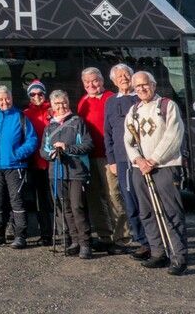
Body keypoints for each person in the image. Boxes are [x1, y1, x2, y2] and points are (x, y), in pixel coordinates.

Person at [125, 71, 188, 275]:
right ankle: (158, 252)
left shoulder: (167, 106)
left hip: (165, 166)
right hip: (140, 169)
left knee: (171, 211)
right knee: (147, 212)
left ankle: (178, 256)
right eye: (137, 86)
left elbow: (174, 136)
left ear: (153, 85)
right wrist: (138, 160)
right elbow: (128, 140)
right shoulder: (133, 110)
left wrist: (153, 160)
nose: (141, 89)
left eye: (145, 84)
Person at [0, 85, 37, 249]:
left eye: (7, 98)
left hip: (15, 166)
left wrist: (17, 154)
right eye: (1, 99)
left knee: (16, 201)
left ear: (11, 98)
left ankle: (20, 236)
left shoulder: (21, 117)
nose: (4, 102)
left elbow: (32, 140)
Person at [76, 66, 124, 253]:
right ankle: (105, 236)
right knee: (95, 198)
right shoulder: (83, 101)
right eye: (87, 82)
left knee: (114, 196)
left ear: (102, 81)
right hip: (89, 157)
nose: (91, 85)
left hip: (108, 156)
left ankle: (121, 238)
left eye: (94, 81)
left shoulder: (111, 98)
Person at [41, 89, 93, 259]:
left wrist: (68, 148)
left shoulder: (78, 122)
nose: (61, 106)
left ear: (68, 102)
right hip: (56, 171)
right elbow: (43, 150)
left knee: (78, 207)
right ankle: (74, 241)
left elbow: (88, 144)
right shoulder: (49, 126)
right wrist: (51, 154)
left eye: (64, 102)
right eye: (57, 103)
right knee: (65, 207)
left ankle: (86, 243)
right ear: (52, 105)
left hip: (76, 171)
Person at [105, 63, 149, 257]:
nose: (123, 78)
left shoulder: (141, 97)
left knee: (145, 200)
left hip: (142, 158)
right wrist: (112, 160)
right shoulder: (110, 102)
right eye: (119, 76)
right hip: (122, 159)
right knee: (130, 202)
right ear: (114, 81)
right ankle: (142, 241)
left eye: (126, 75)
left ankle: (154, 240)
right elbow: (107, 133)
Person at [24, 80, 54, 244]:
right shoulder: (26, 114)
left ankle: (64, 231)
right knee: (40, 200)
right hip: (35, 162)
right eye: (33, 94)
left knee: (56, 198)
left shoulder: (53, 110)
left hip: (53, 161)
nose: (37, 97)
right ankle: (46, 233)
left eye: (40, 93)